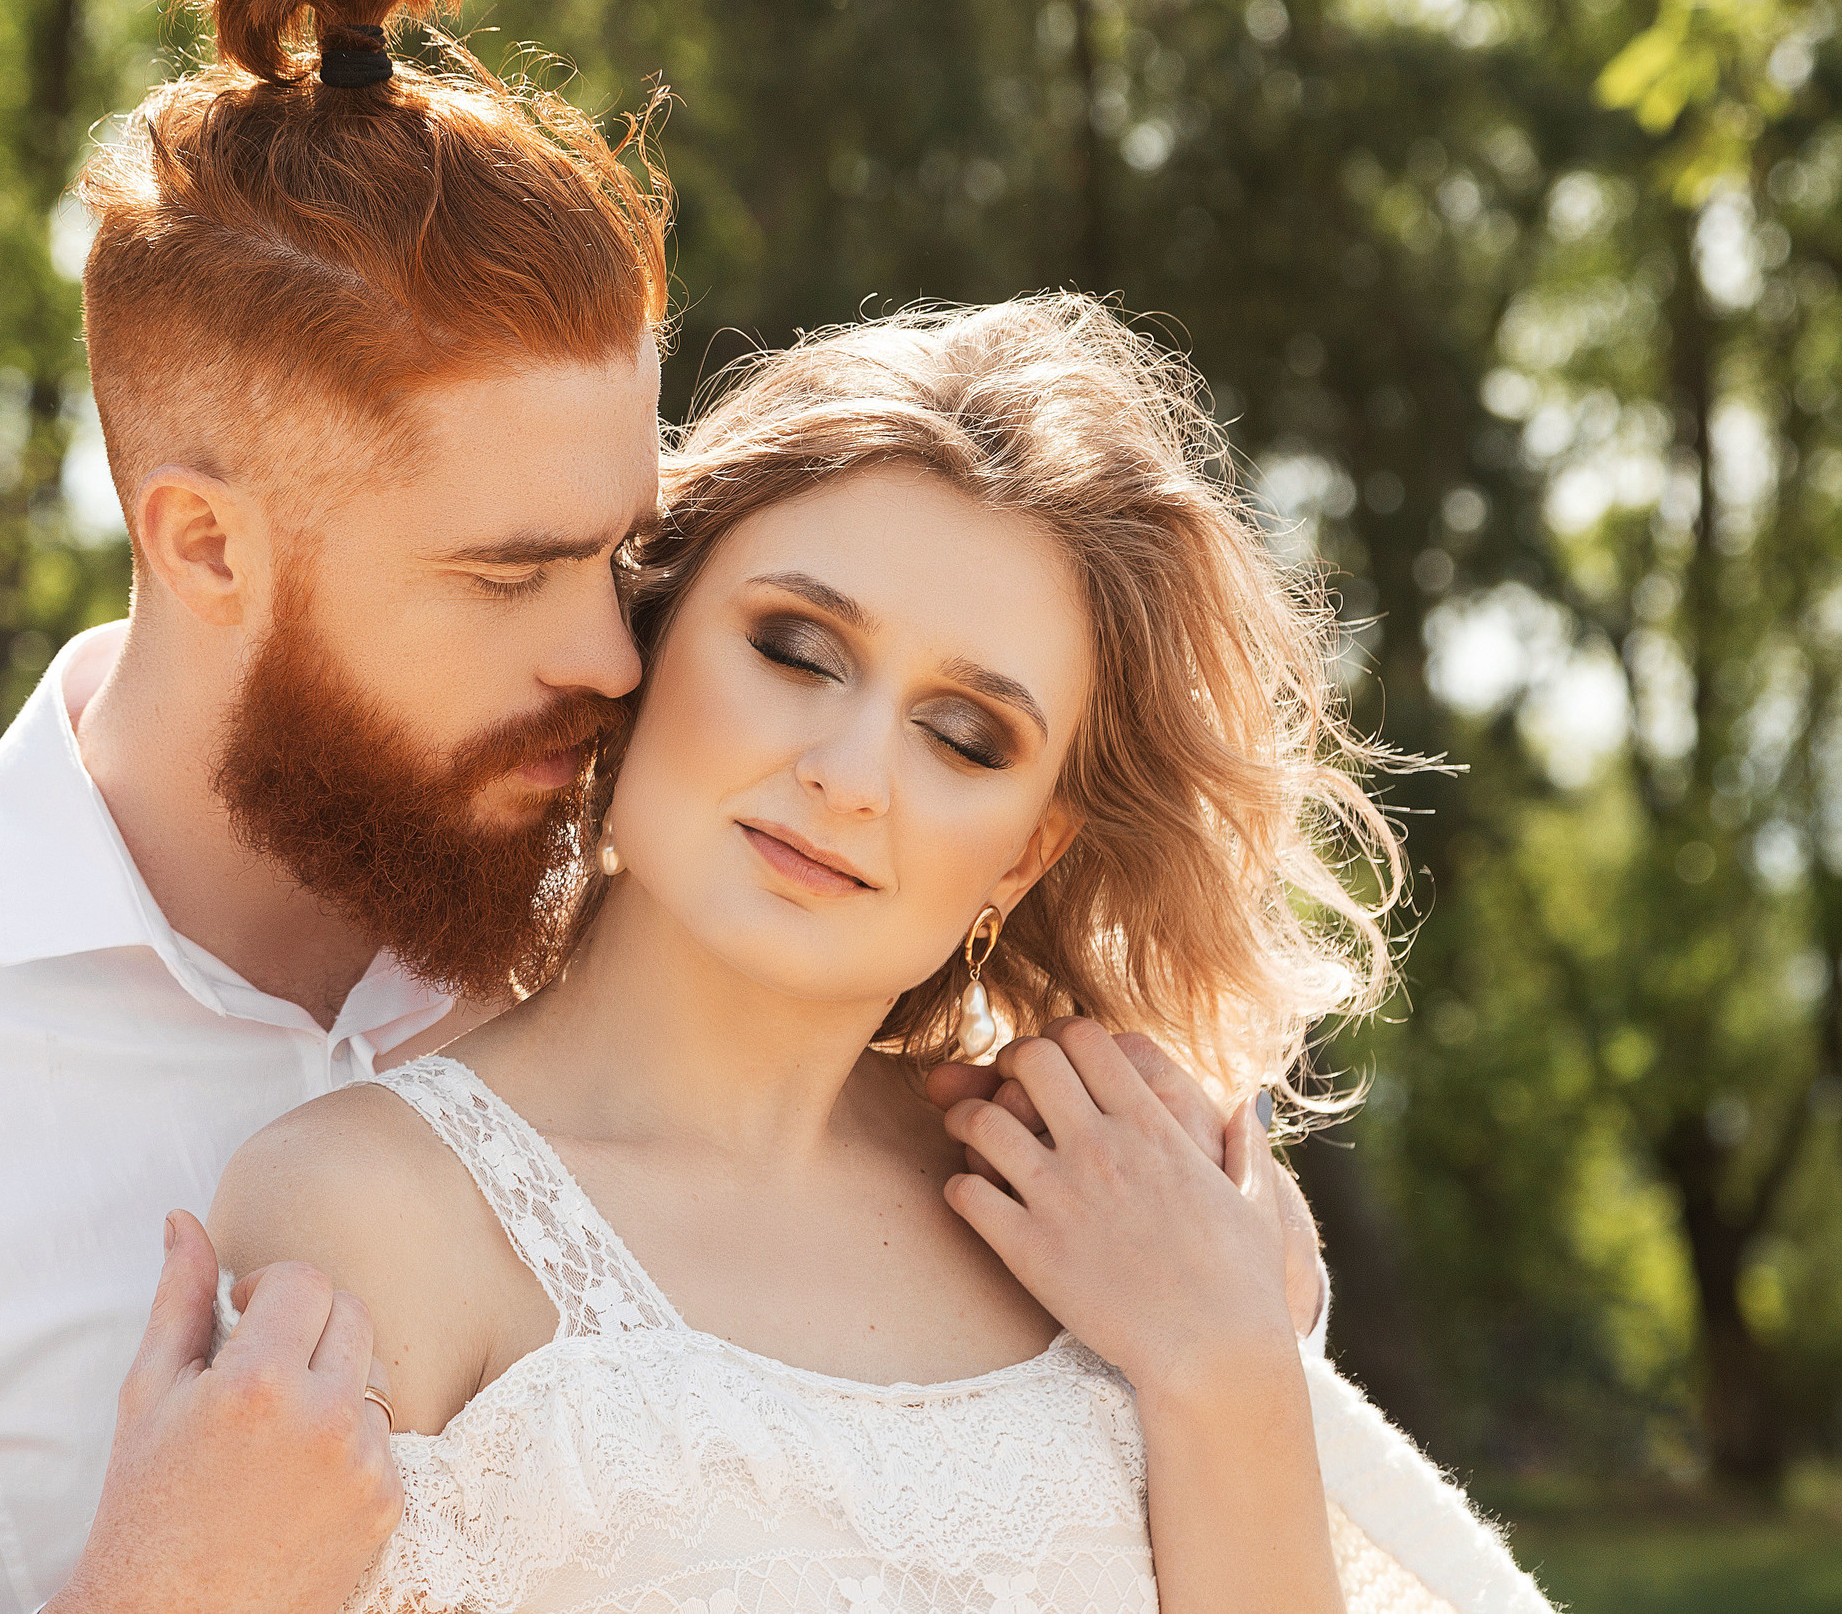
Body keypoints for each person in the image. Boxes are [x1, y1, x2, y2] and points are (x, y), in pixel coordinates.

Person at [0, 0, 1327, 1612]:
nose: (611, 654)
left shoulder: (700, 926)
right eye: (506, 575)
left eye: (624, 559)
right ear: (206, 547)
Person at [208, 298, 1554, 1614]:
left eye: (966, 738)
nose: (850, 778)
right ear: (650, 640)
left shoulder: (1131, 1204)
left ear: (1026, 852)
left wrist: (1223, 1368)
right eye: (796, 651)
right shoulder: (368, 1214)